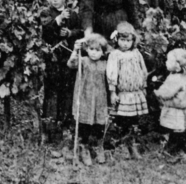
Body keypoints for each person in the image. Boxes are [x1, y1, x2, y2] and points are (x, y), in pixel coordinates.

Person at [39, 0, 82, 132]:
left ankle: (66, 123)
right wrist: (58, 20)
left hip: (68, 59)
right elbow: (46, 32)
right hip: (53, 60)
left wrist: (71, 33)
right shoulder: (46, 14)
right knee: (51, 91)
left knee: (67, 90)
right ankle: (50, 126)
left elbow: (80, 31)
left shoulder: (72, 14)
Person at [107, 21, 148, 160]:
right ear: (116, 40)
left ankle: (132, 144)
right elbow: (112, 74)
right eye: (122, 40)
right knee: (122, 120)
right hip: (123, 94)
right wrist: (113, 92)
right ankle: (121, 146)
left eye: (128, 40)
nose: (125, 44)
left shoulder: (137, 54)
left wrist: (144, 87)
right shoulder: (115, 55)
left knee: (134, 120)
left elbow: (143, 70)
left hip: (136, 93)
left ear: (133, 41)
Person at [68, 34, 110, 166]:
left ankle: (98, 146)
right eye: (91, 49)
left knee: (99, 123)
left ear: (103, 52)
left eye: (98, 50)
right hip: (84, 97)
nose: (94, 53)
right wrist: (75, 50)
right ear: (87, 49)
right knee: (84, 123)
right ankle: (83, 146)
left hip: (99, 99)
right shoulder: (84, 61)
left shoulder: (105, 64)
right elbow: (71, 64)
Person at [155, 48, 186, 156]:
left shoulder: (175, 78)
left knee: (175, 129)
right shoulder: (182, 76)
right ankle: (176, 148)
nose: (166, 63)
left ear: (177, 65)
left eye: (168, 61)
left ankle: (171, 150)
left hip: (175, 108)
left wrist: (157, 92)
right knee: (180, 128)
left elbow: (167, 93)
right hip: (181, 108)